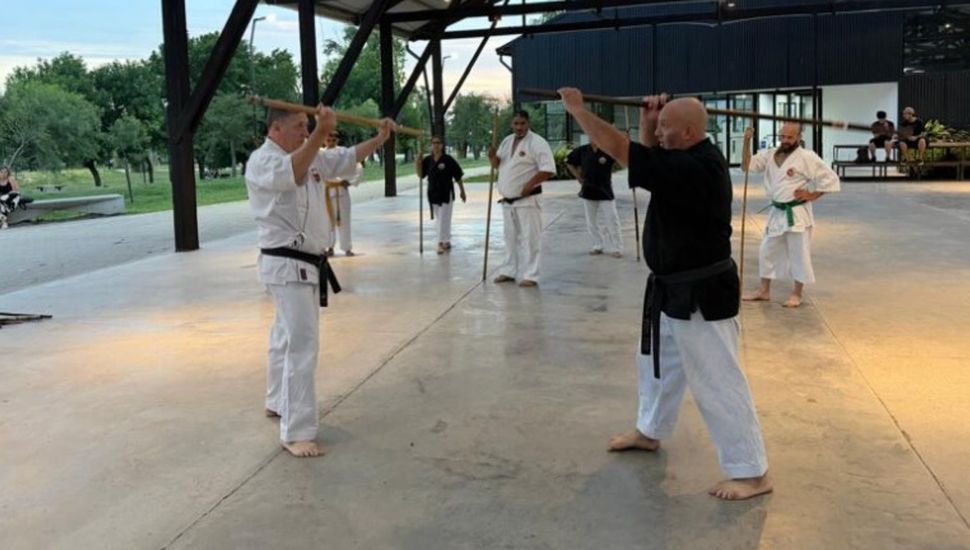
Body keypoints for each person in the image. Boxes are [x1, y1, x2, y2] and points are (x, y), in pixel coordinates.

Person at [558, 87, 772, 501]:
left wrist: (579, 111)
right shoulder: (684, 155)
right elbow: (649, 154)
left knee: (717, 380)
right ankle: (650, 431)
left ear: (689, 132)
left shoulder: (699, 168)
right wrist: (650, 120)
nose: (659, 132)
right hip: (671, 287)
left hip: (702, 293)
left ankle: (752, 472)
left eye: (666, 127)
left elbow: (624, 150)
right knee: (657, 366)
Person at [246, 104, 395, 457]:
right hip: (287, 265)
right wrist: (318, 132)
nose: (305, 131)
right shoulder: (263, 161)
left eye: (306, 126)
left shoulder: (307, 155)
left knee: (284, 337)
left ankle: (276, 401)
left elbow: (344, 157)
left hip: (303, 265)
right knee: (302, 345)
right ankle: (295, 431)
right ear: (276, 129)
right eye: (299, 126)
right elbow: (292, 173)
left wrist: (380, 137)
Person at [741, 123, 841, 308]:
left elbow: (831, 178)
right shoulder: (770, 154)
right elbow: (746, 165)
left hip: (796, 214)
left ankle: (797, 293)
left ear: (798, 137)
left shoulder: (806, 157)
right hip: (776, 212)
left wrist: (812, 194)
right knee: (767, 251)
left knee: (799, 254)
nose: (785, 141)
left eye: (790, 137)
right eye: (783, 136)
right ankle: (764, 290)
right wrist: (746, 142)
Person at [488, 110, 556, 287]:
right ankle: (509, 271)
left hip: (528, 200)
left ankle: (531, 275)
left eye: (522, 123)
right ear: (511, 124)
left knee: (530, 239)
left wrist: (529, 185)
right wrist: (492, 158)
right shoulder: (506, 141)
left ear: (528, 123)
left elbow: (547, 169)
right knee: (509, 238)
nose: (519, 127)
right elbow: (499, 165)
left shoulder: (537, 143)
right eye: (516, 124)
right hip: (508, 201)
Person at [565, 142, 623, 257]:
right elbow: (569, 162)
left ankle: (617, 247)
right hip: (588, 189)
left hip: (605, 190)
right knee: (591, 221)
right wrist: (578, 177)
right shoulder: (582, 150)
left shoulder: (608, 149)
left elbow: (622, 160)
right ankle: (598, 245)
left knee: (612, 219)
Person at [416, 136, 467, 254]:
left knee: (444, 217)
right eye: (434, 143)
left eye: (438, 143)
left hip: (445, 192)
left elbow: (458, 176)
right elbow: (420, 175)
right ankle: (446, 240)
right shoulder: (428, 160)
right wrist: (418, 163)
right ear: (431, 145)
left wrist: (462, 191)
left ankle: (440, 242)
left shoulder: (448, 159)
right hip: (433, 193)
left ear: (442, 145)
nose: (436, 145)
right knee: (441, 218)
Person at [322, 131, 363, 257]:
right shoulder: (320, 153)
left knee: (345, 220)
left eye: (334, 137)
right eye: (329, 137)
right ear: (324, 139)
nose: (331, 139)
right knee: (326, 221)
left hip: (341, 190)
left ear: (337, 140)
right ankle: (329, 247)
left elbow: (358, 166)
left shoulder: (343, 152)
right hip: (326, 192)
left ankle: (347, 248)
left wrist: (350, 181)